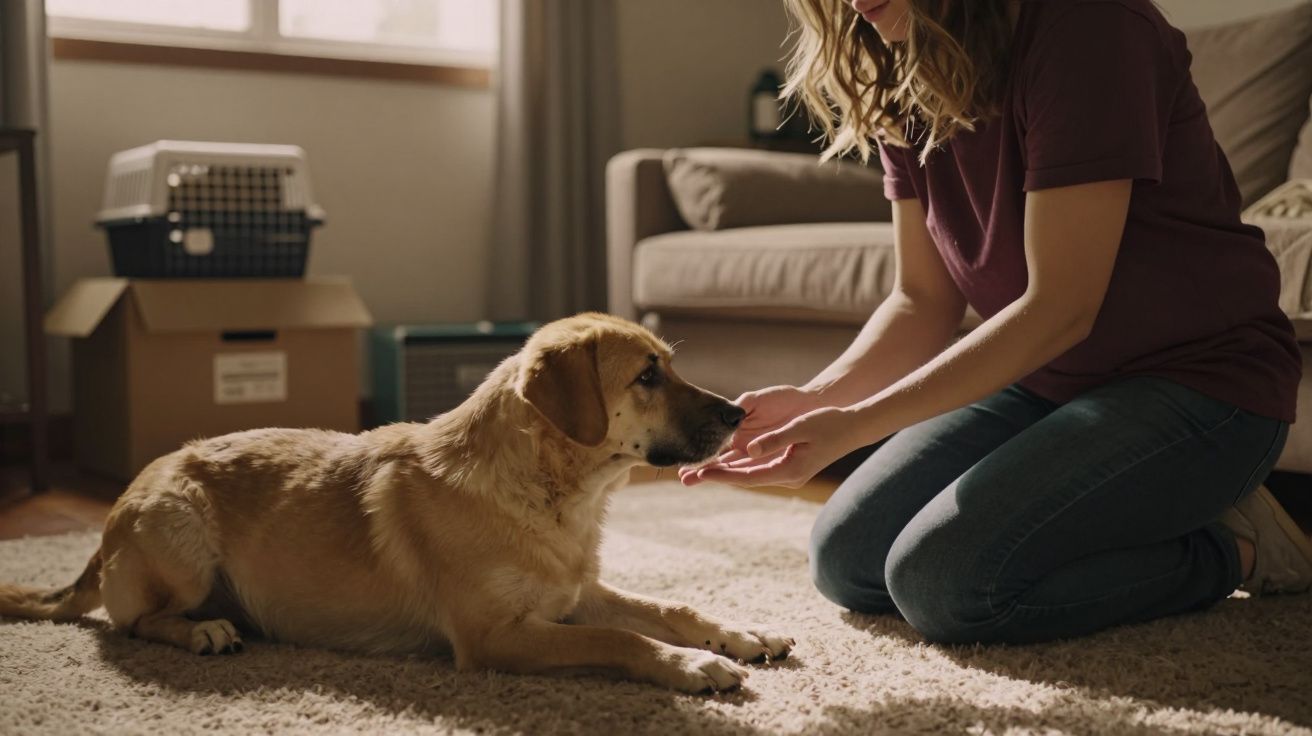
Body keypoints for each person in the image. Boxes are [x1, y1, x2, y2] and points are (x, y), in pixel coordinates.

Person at [679, 0, 1312, 644]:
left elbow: (1060, 309)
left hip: (1204, 386)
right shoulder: (897, 60)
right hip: (1049, 384)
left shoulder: (1089, 28)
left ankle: (1228, 548)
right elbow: (921, 300)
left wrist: (854, 426)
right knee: (848, 560)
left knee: (944, 584)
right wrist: (817, 398)